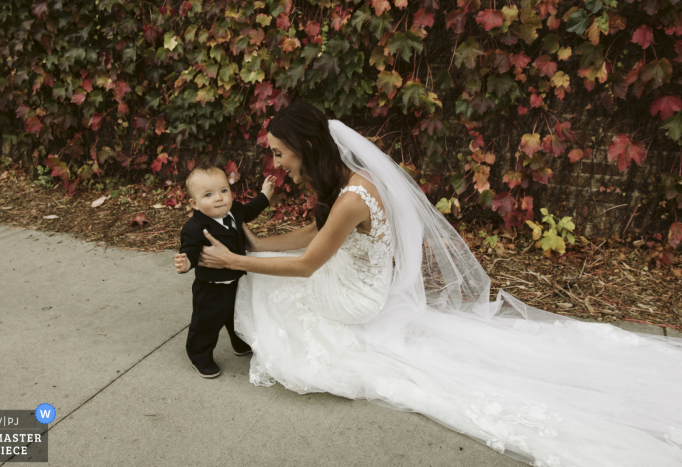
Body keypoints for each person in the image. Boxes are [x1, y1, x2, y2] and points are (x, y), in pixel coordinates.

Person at [196, 101, 682, 466]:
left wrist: (237, 260)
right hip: (356, 278)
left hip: (355, 297)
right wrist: (260, 246)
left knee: (266, 285)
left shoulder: (351, 198)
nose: (277, 164)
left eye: (280, 154)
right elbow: (316, 236)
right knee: (267, 266)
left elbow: (307, 264)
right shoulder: (347, 180)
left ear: (304, 147)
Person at [174, 164, 275, 378]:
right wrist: (186, 264)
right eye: (208, 194)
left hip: (235, 280)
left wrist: (265, 194)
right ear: (195, 203)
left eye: (223, 191)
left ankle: (239, 342)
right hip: (211, 287)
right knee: (207, 322)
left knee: (236, 313)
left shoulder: (235, 211)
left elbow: (250, 210)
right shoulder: (195, 227)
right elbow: (191, 251)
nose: (219, 198)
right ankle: (199, 354)